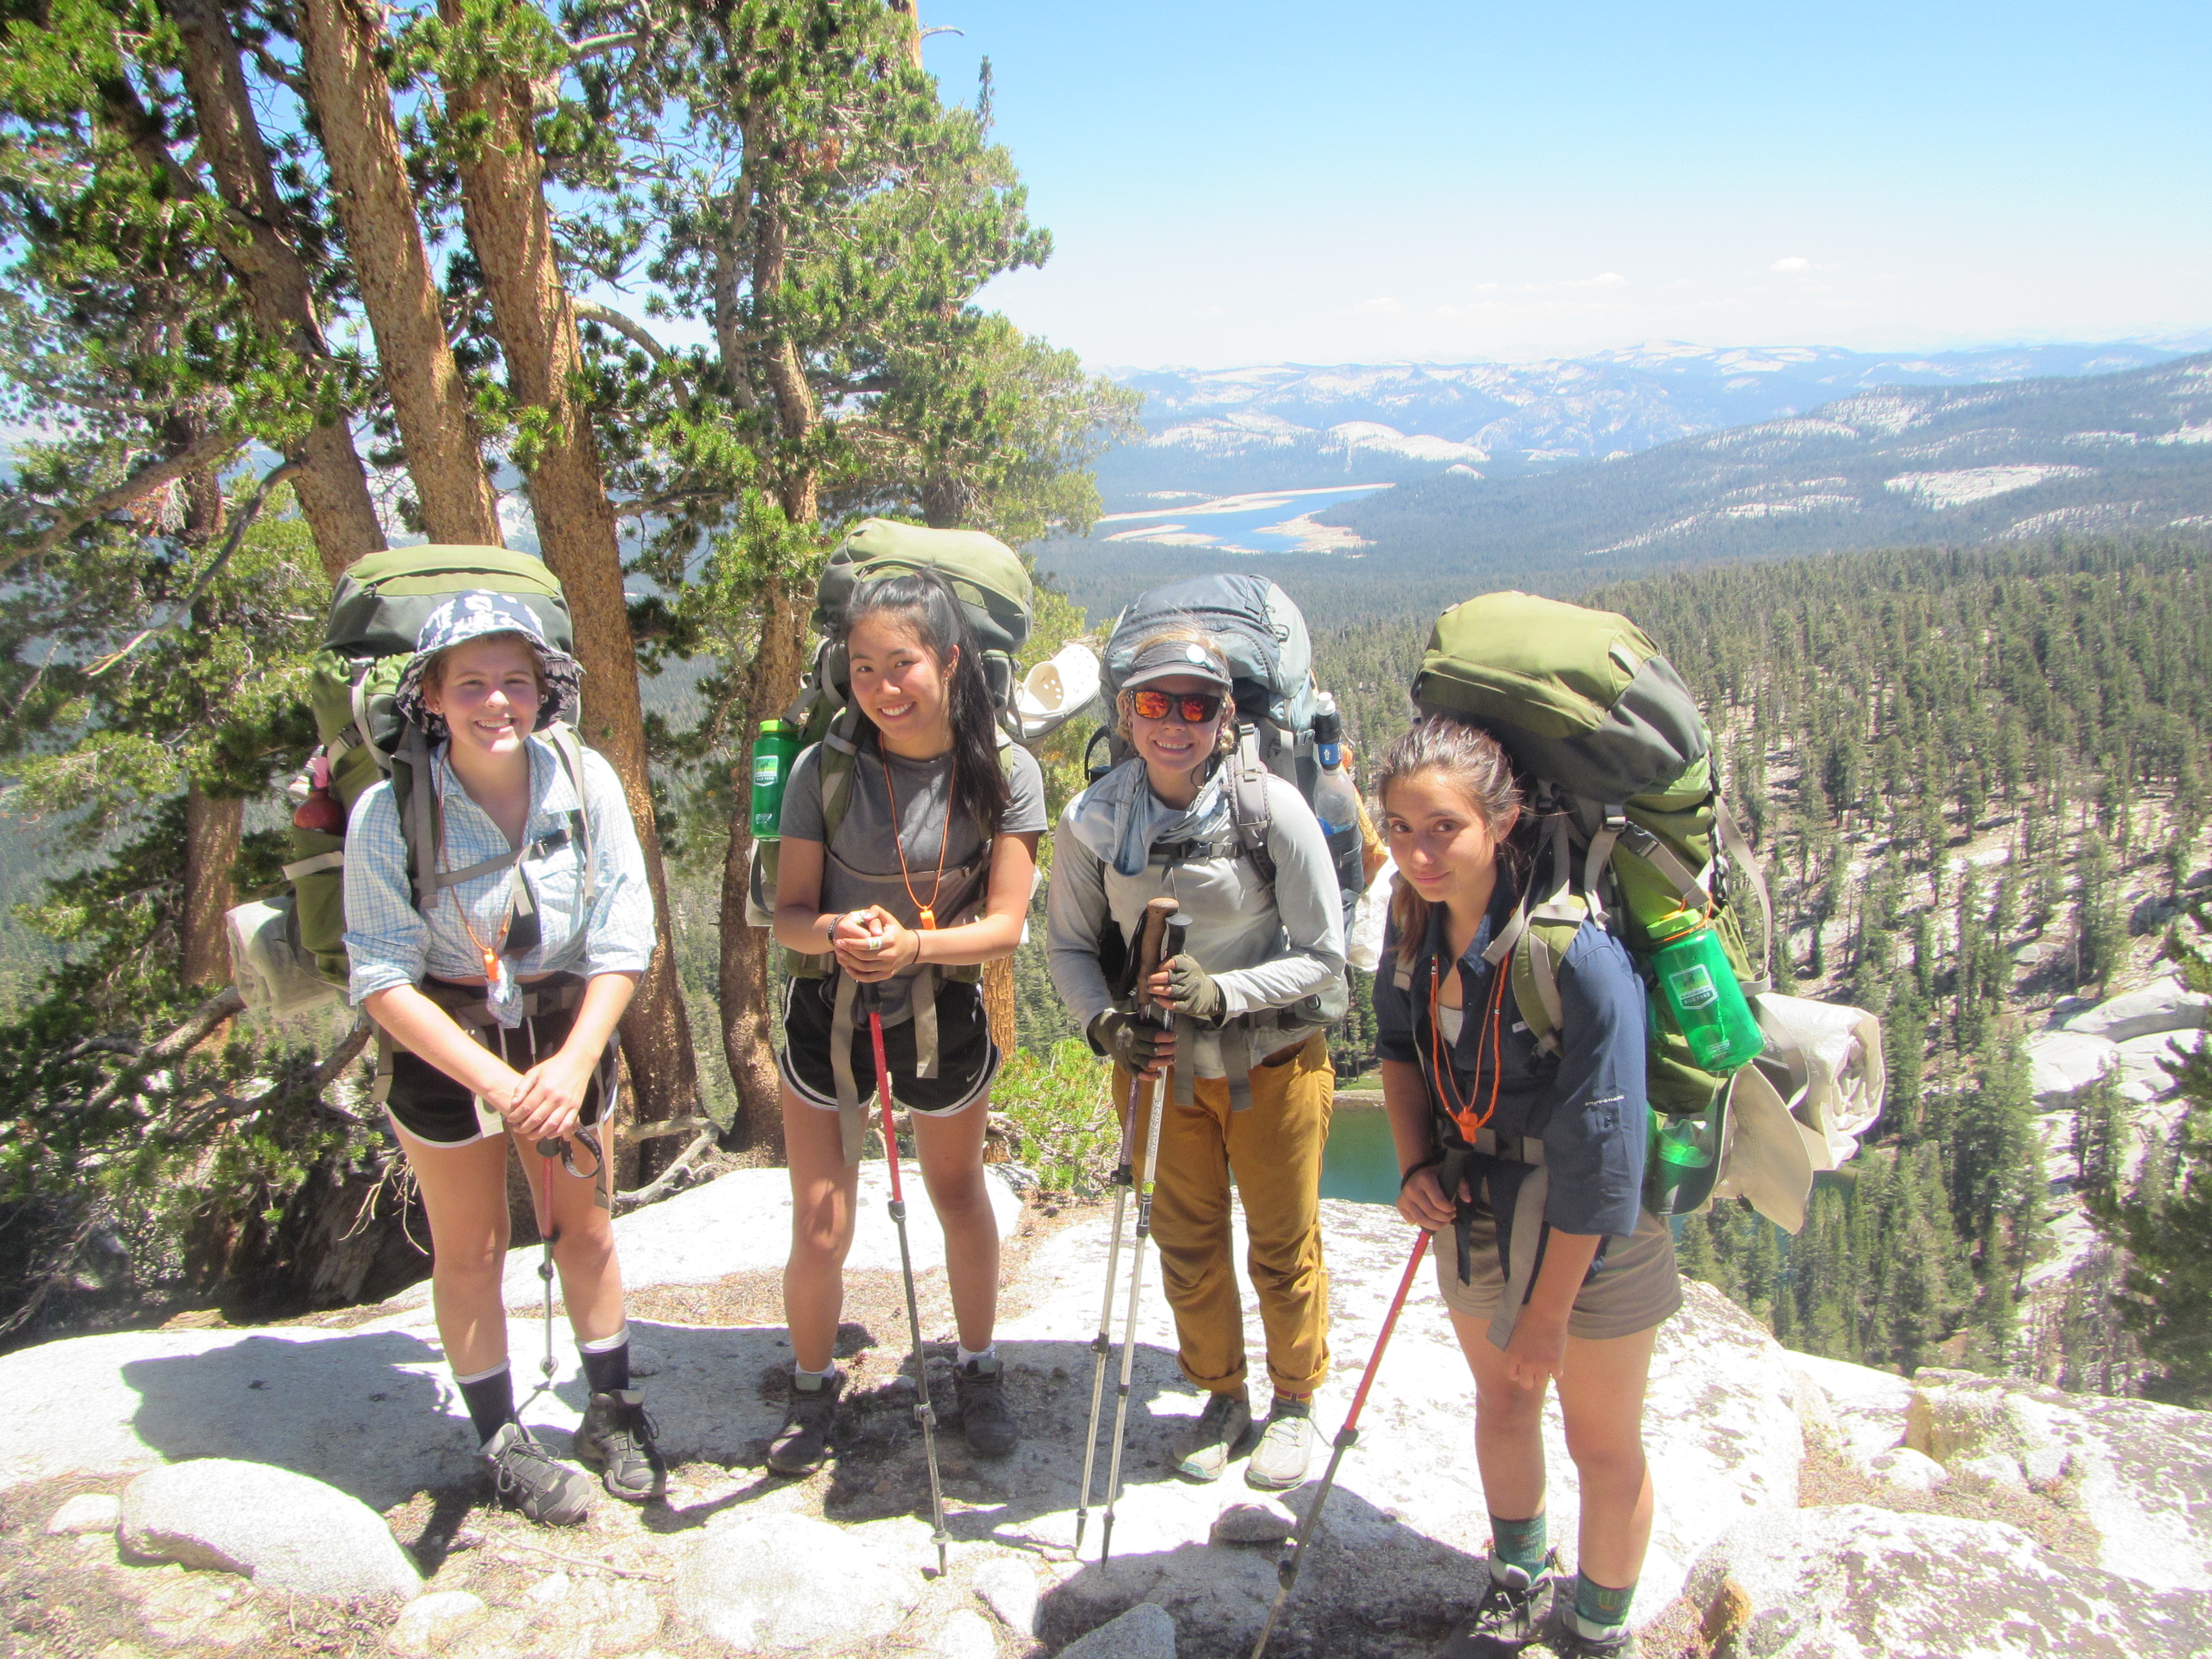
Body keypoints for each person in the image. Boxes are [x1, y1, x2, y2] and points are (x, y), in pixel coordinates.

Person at [345, 592, 664, 1526]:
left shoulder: (583, 777)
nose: (497, 703)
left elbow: (624, 926)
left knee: (586, 1230)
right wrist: (498, 1083)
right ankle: (499, 1441)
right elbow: (380, 971)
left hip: (566, 1032)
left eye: (516, 683)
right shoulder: (388, 810)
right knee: (473, 1248)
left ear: (545, 691)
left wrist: (569, 1067)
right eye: (472, 683)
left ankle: (611, 1411)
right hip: (447, 1047)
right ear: (431, 696)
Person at [1372, 715, 1679, 1659]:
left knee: (1601, 1442)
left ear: (1500, 821)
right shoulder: (1412, 923)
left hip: (1594, 1234)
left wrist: (1548, 1316)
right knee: (1502, 1403)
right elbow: (1397, 1049)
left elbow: (1606, 1153)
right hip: (1476, 1200)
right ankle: (1517, 1579)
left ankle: (1598, 1630)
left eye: (1443, 828)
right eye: (1399, 828)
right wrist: (1416, 1165)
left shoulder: (1575, 956)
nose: (1419, 853)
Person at [1046, 625, 1347, 1490]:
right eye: (1153, 703)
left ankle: (1295, 1400)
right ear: (1126, 712)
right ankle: (1223, 1394)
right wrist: (1105, 1025)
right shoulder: (1094, 821)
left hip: (1273, 1058)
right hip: (1156, 1063)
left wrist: (1229, 992)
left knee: (1283, 1239)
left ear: (1226, 716)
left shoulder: (1271, 810)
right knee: (1185, 1238)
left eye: (1198, 705)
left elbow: (1325, 955)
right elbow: (1069, 946)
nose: (1174, 724)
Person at [766, 571, 1046, 1473]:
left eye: (904, 664)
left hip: (941, 1008)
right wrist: (843, 931)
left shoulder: (1005, 771)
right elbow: (788, 914)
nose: (885, 688)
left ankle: (976, 1366)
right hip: (831, 1011)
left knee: (959, 1195)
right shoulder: (827, 768)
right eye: (863, 668)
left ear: (951, 661)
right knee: (821, 1220)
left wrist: (913, 952)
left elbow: (1005, 926)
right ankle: (811, 1390)